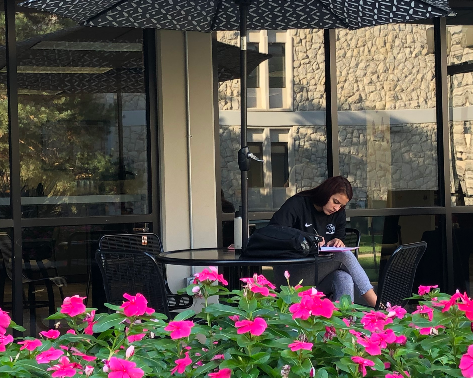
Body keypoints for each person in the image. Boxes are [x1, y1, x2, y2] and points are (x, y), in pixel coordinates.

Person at [269, 176, 377, 307]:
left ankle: (344, 324)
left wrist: (337, 242)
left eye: (341, 205)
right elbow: (274, 232)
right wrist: (308, 240)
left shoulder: (338, 213)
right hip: (291, 274)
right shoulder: (298, 204)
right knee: (344, 256)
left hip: (318, 272)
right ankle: (377, 305)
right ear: (326, 192)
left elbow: (339, 241)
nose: (336, 208)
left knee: (343, 277)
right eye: (335, 201)